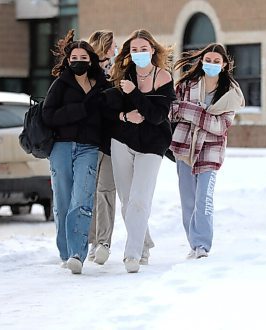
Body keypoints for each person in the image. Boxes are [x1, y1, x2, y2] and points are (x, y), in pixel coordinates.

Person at [104, 29, 175, 273]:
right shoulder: (123, 75)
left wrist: (133, 93)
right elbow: (105, 109)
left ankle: (131, 254)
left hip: (153, 145)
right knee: (126, 201)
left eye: (143, 49)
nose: (139, 53)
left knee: (139, 199)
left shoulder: (164, 77)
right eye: (134, 50)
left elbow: (156, 116)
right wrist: (124, 115)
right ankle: (143, 243)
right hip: (122, 141)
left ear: (153, 50)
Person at [42, 30, 108, 274]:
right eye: (73, 58)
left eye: (83, 57)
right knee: (62, 201)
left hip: (89, 149)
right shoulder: (60, 84)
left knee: (81, 200)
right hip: (60, 147)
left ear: (90, 59)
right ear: (68, 61)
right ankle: (65, 251)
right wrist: (78, 110)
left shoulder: (101, 85)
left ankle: (77, 254)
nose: (78, 61)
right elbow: (49, 116)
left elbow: (107, 116)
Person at [169, 43, 244, 259]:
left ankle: (202, 245)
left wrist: (189, 110)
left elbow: (220, 126)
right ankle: (193, 243)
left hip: (211, 151)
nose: (211, 64)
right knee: (188, 199)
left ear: (224, 65)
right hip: (184, 147)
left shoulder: (231, 94)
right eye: (208, 60)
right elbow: (172, 111)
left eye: (216, 62)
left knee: (204, 198)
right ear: (202, 61)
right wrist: (203, 115)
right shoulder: (186, 85)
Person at [86, 30, 117, 265]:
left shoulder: (118, 72)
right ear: (105, 47)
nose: (115, 50)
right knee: (90, 193)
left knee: (105, 191)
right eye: (113, 46)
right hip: (89, 142)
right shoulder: (87, 74)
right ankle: (92, 241)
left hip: (111, 143)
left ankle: (103, 242)